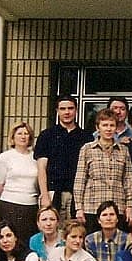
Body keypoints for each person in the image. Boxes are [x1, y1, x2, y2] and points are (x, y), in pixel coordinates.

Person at [74, 108, 132, 233]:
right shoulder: (87, 149)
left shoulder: (123, 150)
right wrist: (79, 208)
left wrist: (129, 206)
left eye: (112, 125)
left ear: (116, 128)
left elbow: (128, 179)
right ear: (98, 127)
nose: (108, 129)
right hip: (92, 206)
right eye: (105, 125)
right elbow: (80, 179)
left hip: (117, 206)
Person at [36, 95, 92, 223]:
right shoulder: (47, 135)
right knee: (52, 229)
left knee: (75, 230)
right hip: (52, 191)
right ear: (57, 111)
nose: (67, 112)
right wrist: (44, 195)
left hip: (77, 195)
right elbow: (41, 168)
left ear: (76, 110)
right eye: (63, 109)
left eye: (70, 108)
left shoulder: (86, 137)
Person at [0, 121, 40, 244]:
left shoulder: (36, 157)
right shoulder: (5, 157)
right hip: (9, 205)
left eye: (26, 133)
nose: (23, 136)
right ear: (13, 137)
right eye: (19, 133)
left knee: (27, 241)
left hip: (31, 205)